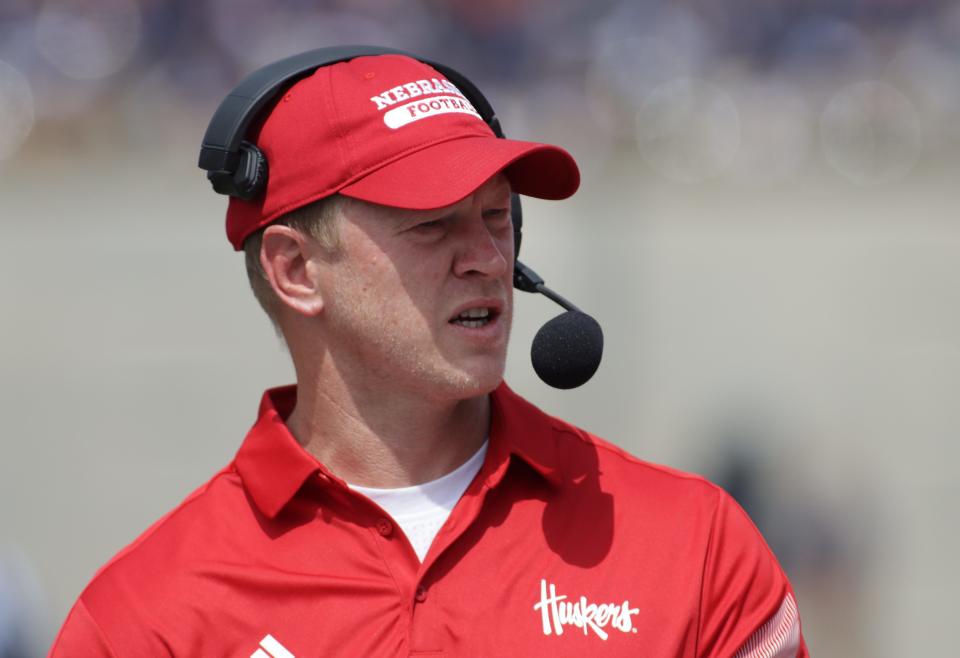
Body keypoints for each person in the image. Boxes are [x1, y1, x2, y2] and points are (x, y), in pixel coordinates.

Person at [49, 51, 809, 657]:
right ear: (295, 270)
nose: (484, 256)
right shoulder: (146, 619)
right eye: (431, 224)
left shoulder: (695, 547)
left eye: (495, 217)